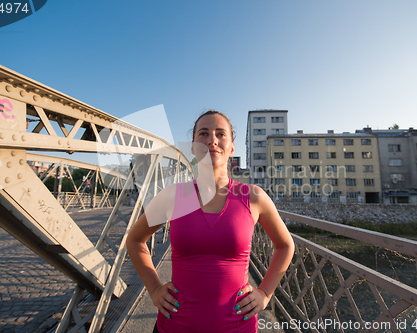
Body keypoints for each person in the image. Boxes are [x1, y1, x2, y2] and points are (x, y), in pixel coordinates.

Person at [126, 110, 295, 333]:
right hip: (174, 327)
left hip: (237, 328)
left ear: (232, 148)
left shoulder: (253, 197)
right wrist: (155, 288)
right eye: (203, 133)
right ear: (194, 147)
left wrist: (265, 293)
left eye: (220, 134)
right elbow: (136, 240)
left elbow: (285, 246)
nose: (212, 140)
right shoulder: (173, 196)